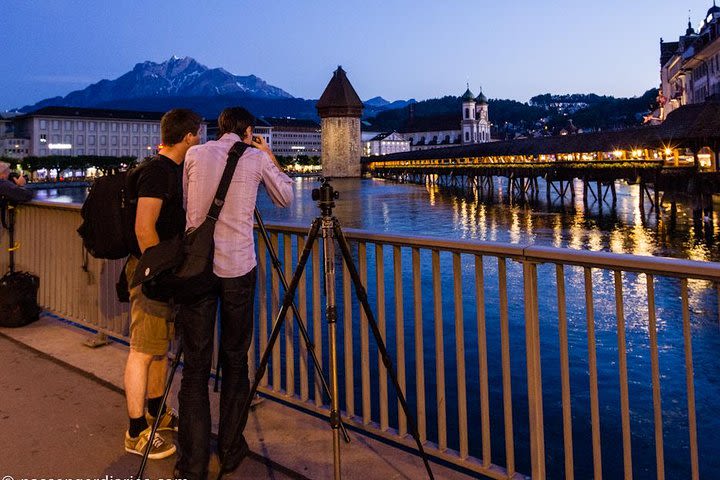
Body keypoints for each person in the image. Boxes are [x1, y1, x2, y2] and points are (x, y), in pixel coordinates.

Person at [175, 107, 293, 479]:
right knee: (235, 358)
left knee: (194, 366)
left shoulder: (194, 154)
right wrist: (269, 154)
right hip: (238, 268)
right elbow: (285, 198)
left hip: (197, 270)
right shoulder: (256, 156)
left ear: (218, 128)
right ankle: (229, 448)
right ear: (249, 131)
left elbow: (186, 206)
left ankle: (192, 463)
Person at [123, 108, 202, 460]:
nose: (199, 140)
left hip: (161, 272)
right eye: (197, 135)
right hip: (151, 272)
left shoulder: (171, 170)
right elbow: (144, 227)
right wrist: (156, 273)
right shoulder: (158, 172)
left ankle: (157, 410)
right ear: (188, 137)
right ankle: (135, 430)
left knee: (158, 349)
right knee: (142, 350)